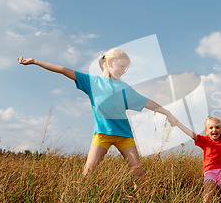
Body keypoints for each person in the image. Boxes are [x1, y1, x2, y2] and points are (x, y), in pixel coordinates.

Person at [18, 48, 177, 189]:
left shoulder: (124, 88)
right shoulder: (92, 82)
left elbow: (147, 102)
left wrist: (167, 113)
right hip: (102, 135)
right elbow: (63, 70)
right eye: (122, 67)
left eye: (125, 68)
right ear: (110, 62)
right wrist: (36, 62)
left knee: (138, 174)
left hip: (125, 136)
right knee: (88, 173)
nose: (123, 71)